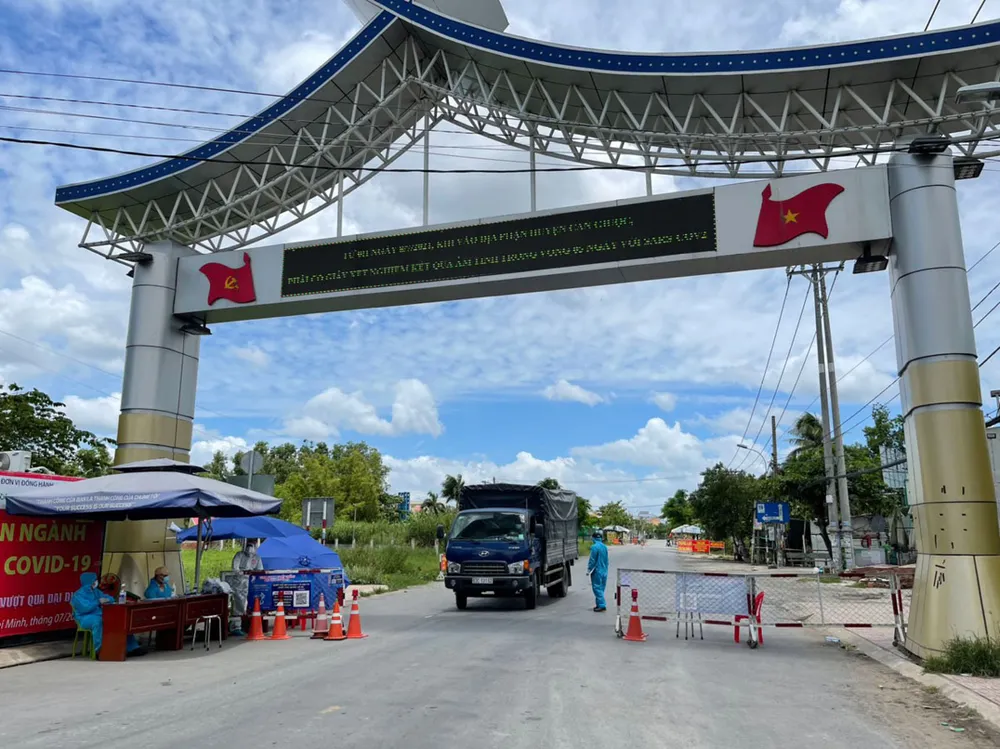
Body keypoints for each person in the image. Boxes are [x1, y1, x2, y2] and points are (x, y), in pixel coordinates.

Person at [70, 572, 144, 657]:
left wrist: (107, 599)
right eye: (94, 580)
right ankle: (99, 650)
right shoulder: (78, 595)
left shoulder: (96, 591)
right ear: (89, 581)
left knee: (120, 620)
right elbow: (85, 608)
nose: (96, 582)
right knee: (97, 622)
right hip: (84, 618)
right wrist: (98, 602)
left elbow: (110, 598)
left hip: (99, 614)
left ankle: (132, 648)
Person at [231, 539, 264, 619]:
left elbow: (260, 570)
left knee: (252, 600)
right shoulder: (239, 555)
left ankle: (250, 616)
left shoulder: (257, 557)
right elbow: (235, 568)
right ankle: (238, 619)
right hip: (239, 582)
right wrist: (242, 573)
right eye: (249, 545)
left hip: (251, 581)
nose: (250, 548)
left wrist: (252, 574)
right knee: (239, 600)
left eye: (252, 545)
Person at [587, 531, 609, 612]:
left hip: (597, 570)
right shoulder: (604, 547)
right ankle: (598, 604)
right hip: (604, 570)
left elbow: (592, 560)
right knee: (601, 588)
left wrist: (589, 569)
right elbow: (606, 560)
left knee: (596, 588)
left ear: (593, 538)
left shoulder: (594, 547)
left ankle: (602, 605)